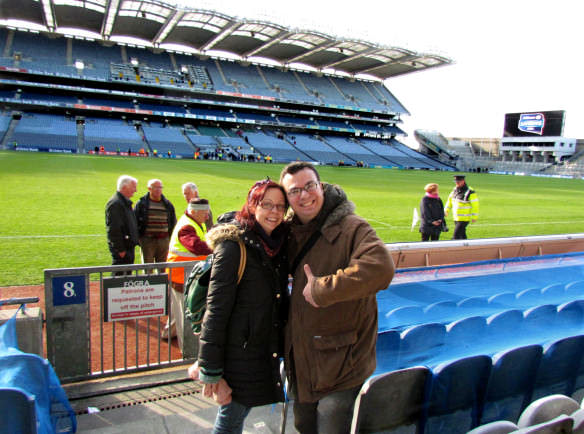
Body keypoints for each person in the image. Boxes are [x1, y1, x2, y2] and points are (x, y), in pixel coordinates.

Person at [279, 162, 395, 434]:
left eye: (310, 186)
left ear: (321, 186)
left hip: (343, 365)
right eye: (295, 191)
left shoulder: (352, 227)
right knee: (303, 425)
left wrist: (322, 289)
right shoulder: (290, 233)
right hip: (303, 362)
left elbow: (381, 268)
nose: (304, 195)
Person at [188, 179, 289, 433]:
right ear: (253, 205)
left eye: (280, 206)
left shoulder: (277, 244)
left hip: (259, 349)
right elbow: (216, 310)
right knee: (230, 421)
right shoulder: (233, 246)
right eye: (267, 204)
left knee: (233, 417)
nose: (274, 212)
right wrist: (211, 370)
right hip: (238, 355)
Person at [166, 198, 213, 350]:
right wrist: (218, 245)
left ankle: (168, 333)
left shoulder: (194, 222)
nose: (207, 216)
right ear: (194, 211)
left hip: (183, 275)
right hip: (181, 276)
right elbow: (196, 246)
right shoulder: (187, 227)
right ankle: (186, 350)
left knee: (177, 310)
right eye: (205, 213)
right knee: (184, 314)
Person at [134, 179, 177, 273]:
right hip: (147, 241)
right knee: (148, 269)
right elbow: (135, 222)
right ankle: (149, 287)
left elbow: (173, 222)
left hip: (163, 241)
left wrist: (170, 239)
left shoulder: (167, 204)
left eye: (160, 187)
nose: (158, 190)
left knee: (163, 269)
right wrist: (139, 239)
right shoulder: (141, 204)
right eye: (155, 187)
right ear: (149, 188)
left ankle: (163, 287)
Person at [105, 175, 139, 275]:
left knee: (126, 277)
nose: (136, 190)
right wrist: (120, 250)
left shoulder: (123, 202)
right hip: (123, 250)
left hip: (127, 247)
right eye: (133, 187)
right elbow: (113, 229)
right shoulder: (116, 204)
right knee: (119, 278)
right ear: (125, 187)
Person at [444, 175, 480, 240]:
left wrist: (474, 217)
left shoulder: (470, 191)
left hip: (464, 219)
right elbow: (449, 201)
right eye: (455, 182)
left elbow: (475, 205)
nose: (456, 183)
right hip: (456, 218)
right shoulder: (454, 190)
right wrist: (446, 210)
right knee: (462, 236)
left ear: (463, 181)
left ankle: (452, 248)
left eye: (458, 182)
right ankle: (467, 248)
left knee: (455, 237)